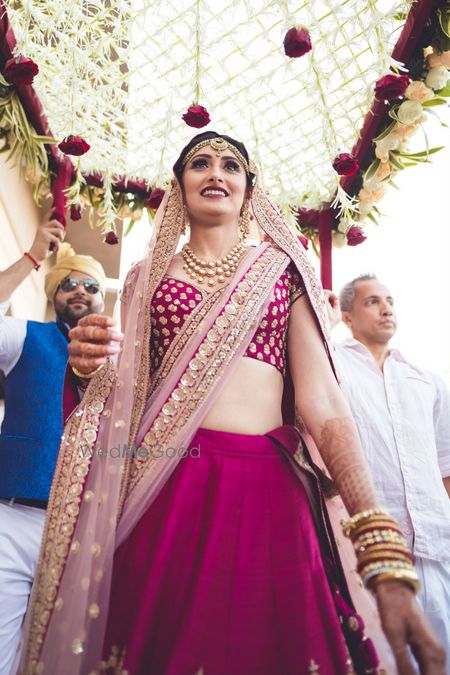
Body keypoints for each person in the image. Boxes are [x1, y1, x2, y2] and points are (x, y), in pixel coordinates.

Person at [20, 133, 445, 675]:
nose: (215, 172)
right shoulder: (144, 280)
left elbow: (323, 401)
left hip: (269, 484)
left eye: (231, 165)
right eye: (200, 163)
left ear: (249, 189)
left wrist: (375, 538)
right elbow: (125, 393)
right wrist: (86, 371)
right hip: (169, 482)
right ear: (180, 185)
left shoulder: (282, 271)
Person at [0, 214, 106, 675]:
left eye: (90, 285)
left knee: (58, 659)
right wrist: (30, 257)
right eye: (68, 285)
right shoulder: (24, 336)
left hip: (86, 531)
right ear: (53, 295)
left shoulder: (124, 360)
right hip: (13, 518)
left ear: (103, 298)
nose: (79, 291)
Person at [325, 274, 450, 661]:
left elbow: (445, 467)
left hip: (434, 545)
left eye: (390, 300)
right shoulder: (332, 368)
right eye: (372, 301)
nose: (387, 308)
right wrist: (324, 323)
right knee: (385, 660)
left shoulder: (426, 382)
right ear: (347, 317)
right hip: (367, 547)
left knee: (440, 656)